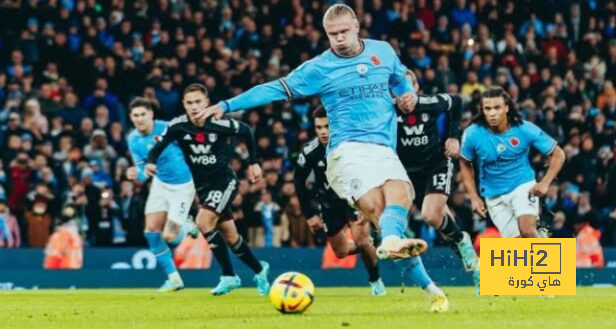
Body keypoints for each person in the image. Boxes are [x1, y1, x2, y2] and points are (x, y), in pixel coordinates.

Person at [197, 4, 448, 311]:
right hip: (347, 151)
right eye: (332, 34)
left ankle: (428, 286)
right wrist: (227, 103)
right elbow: (275, 88)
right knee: (377, 208)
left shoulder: (382, 51)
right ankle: (396, 245)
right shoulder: (319, 68)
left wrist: (407, 93)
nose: (339, 39)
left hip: (383, 148)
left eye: (344, 32)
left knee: (403, 195)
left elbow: (399, 81)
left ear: (356, 27)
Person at [146, 83, 270, 296]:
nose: (194, 107)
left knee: (203, 222)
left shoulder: (219, 122)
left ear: (207, 103)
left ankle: (229, 277)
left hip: (224, 182)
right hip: (203, 188)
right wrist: (151, 161)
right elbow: (159, 144)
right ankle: (260, 270)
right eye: (190, 103)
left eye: (198, 102)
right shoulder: (178, 126)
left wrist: (253, 162)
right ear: (184, 105)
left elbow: (247, 131)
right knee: (231, 237)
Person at [397, 71, 480, 292]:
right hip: (406, 172)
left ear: (417, 88)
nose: (404, 93)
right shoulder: (385, 109)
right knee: (437, 217)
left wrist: (453, 136)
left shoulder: (428, 102)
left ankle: (462, 240)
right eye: (398, 87)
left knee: (430, 215)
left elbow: (457, 101)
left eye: (409, 86)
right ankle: (474, 262)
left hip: (436, 163)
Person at [294, 106, 385, 296]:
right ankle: (371, 245)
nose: (323, 132)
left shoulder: (351, 144)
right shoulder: (310, 152)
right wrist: (309, 214)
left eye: (327, 126)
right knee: (341, 252)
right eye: (318, 128)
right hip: (328, 204)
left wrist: (367, 200)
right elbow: (299, 182)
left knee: (360, 240)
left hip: (353, 199)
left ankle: (375, 280)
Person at [460, 86, 566, 240]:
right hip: (493, 194)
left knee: (527, 231)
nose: (492, 113)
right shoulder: (472, 134)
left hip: (522, 185)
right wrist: (474, 197)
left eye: (497, 108)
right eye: (487, 108)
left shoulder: (524, 129)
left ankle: (551, 261)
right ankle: (543, 241)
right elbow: (464, 163)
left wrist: (545, 183)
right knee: (517, 244)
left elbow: (559, 154)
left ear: (507, 108)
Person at [126, 97, 200, 291]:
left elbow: (193, 148)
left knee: (169, 236)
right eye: (136, 115)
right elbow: (143, 173)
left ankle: (187, 224)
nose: (140, 119)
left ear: (151, 114)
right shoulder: (133, 139)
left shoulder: (169, 128)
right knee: (150, 231)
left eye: (143, 114)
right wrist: (135, 174)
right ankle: (174, 278)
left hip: (183, 185)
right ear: (131, 118)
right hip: (160, 184)